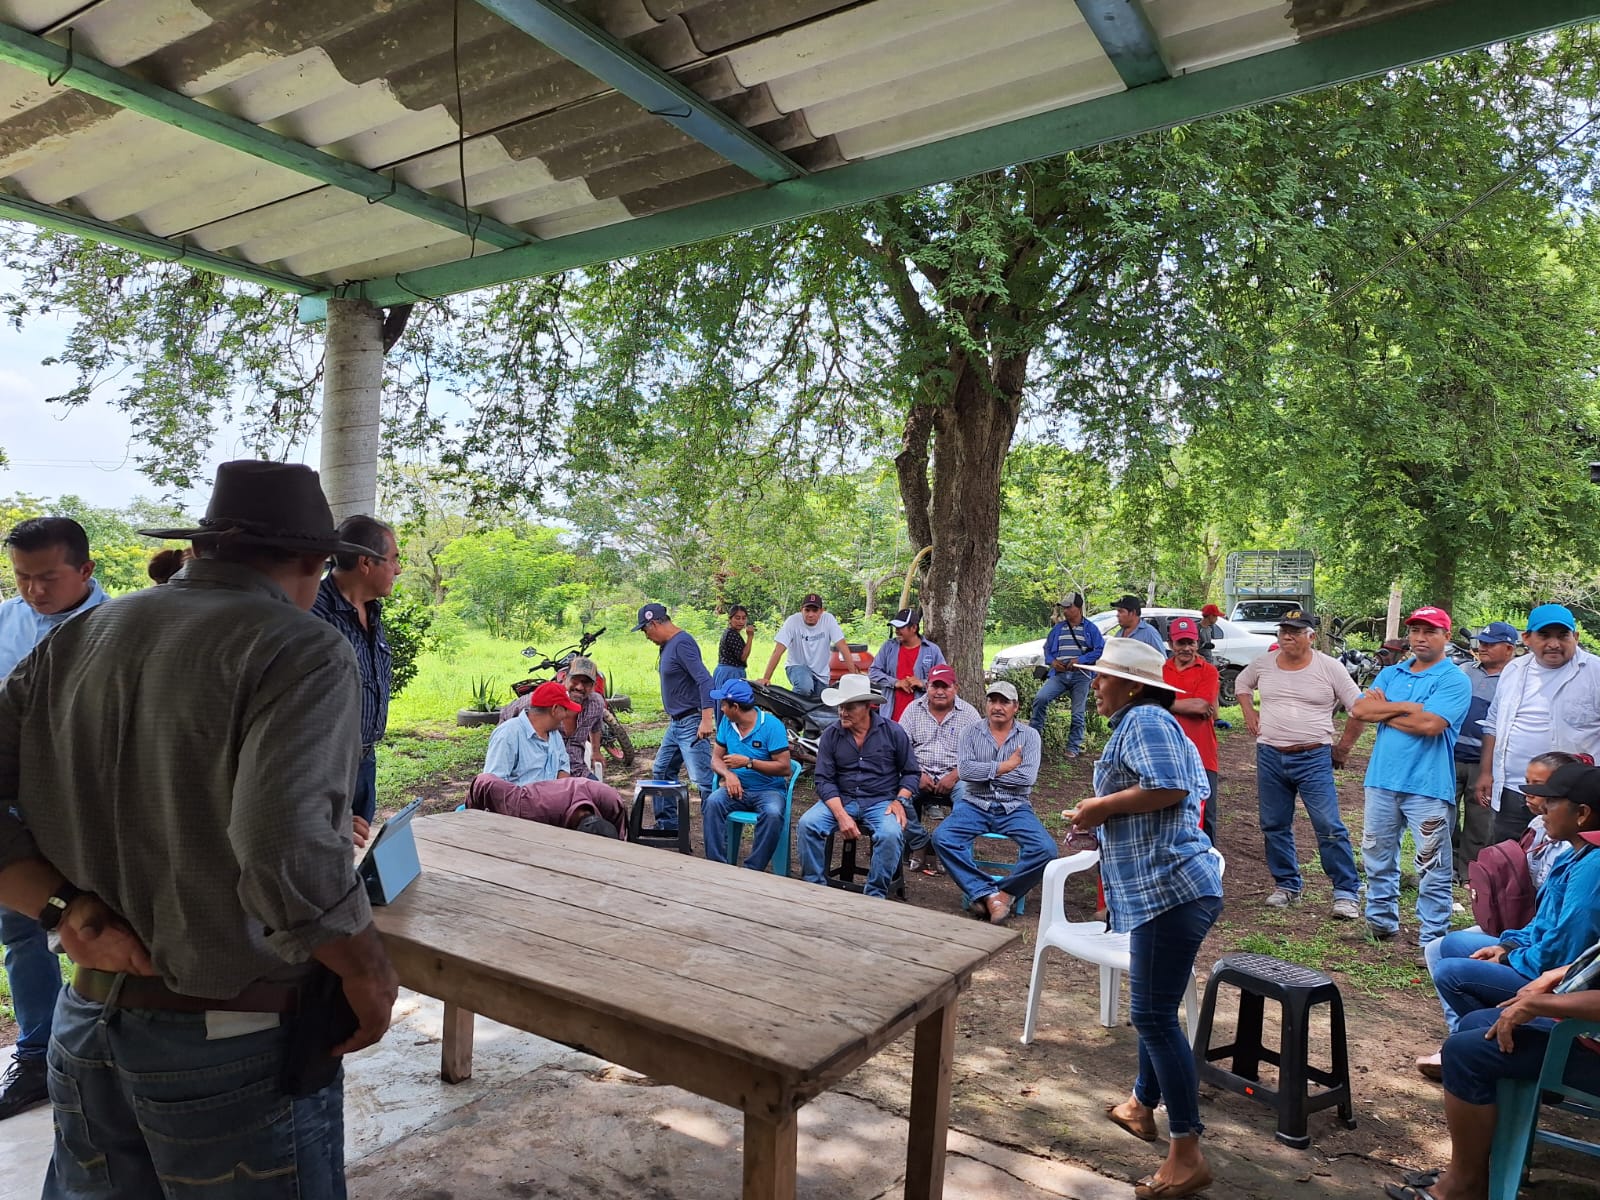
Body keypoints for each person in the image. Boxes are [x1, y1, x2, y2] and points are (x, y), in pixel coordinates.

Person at [0, 460, 399, 1190]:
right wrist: (368, 972)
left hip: (86, 1020)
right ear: (315, 561)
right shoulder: (299, 646)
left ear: (202, 547)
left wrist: (59, 908)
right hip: (231, 1042)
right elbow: (285, 847)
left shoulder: (76, 638)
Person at [1062, 638, 1222, 1200]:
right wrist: (1096, 819)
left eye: (1102, 678)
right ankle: (1139, 1104)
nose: (1095, 686)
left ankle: (1187, 1154)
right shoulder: (1143, 721)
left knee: (1153, 1017)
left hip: (1172, 891)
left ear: (1130, 684)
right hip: (1166, 891)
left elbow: (1171, 788)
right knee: (1156, 1009)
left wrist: (1099, 807)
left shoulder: (1147, 719)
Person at [0, 517, 108, 1121]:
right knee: (21, 931)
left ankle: (98, 1045)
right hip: (12, 812)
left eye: (48, 577)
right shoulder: (5, 621)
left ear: (87, 571)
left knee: (94, 923)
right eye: (22, 577)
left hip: (85, 811)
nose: (34, 591)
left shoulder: (119, 630)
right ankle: (39, 1052)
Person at [1414, 759, 1600, 1079]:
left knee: (1452, 972)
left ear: (1582, 814)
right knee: (1453, 944)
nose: (1542, 809)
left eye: (1552, 803)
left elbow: (1564, 948)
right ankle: (1480, 1041)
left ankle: (1505, 1053)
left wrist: (1513, 957)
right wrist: (1509, 946)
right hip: (1543, 961)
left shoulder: (1592, 867)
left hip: (1558, 979)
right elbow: (1543, 922)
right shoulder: (1576, 850)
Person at [1406, 951, 1600, 1200]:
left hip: (1589, 1045)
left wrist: (1537, 1004)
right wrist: (1558, 973)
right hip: (1583, 1030)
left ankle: (1464, 1187)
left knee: (1464, 1053)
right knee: (1475, 1023)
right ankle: (1491, 1169)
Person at [1234, 608, 1366, 920]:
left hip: (1313, 756)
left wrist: (1343, 749)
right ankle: (1287, 884)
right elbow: (1241, 682)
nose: (1287, 636)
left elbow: (1359, 708)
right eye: (1283, 631)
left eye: (1294, 631)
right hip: (1270, 755)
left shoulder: (1329, 667)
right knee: (1274, 823)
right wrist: (1249, 713)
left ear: (1311, 636)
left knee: (1328, 825)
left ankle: (1346, 892)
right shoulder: (1265, 663)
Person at [1353, 606, 1472, 947]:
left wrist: (1386, 709)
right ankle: (1380, 923)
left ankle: (1432, 940)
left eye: (1430, 631)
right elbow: (1360, 710)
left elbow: (1431, 725)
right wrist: (1410, 707)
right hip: (1381, 780)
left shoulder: (1454, 680)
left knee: (1432, 865)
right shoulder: (1392, 673)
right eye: (1416, 631)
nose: (1420, 638)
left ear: (1446, 637)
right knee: (1376, 855)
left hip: (1428, 786)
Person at [931, 680, 1053, 924]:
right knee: (942, 838)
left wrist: (985, 773)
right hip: (975, 803)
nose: (997, 706)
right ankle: (984, 892)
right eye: (993, 700)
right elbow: (965, 771)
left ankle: (1004, 895)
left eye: (1004, 702)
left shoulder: (1029, 736)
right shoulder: (971, 732)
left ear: (1015, 707)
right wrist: (1005, 767)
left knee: (1046, 849)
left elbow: (1027, 777)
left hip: (1014, 806)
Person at [1477, 603, 1600, 844]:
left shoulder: (1595, 672)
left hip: (1571, 797)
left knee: (1564, 861)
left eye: (1562, 635)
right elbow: (1493, 724)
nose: (1554, 643)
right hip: (1514, 790)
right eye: (1544, 635)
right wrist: (1485, 773)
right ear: (1527, 638)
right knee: (1510, 861)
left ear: (1574, 637)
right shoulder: (1514, 670)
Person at [311, 514, 400, 825]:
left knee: (355, 853)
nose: (398, 570)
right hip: (323, 764)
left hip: (365, 760)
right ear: (366, 563)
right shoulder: (314, 616)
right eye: (393, 559)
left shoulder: (373, 612)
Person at [796, 674, 918, 899]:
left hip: (880, 800)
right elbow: (823, 780)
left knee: (890, 833)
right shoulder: (832, 734)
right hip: (841, 798)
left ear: (867, 707)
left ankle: (874, 895)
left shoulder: (892, 732)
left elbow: (911, 773)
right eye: (841, 706)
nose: (842, 712)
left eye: (849, 707)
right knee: (807, 824)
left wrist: (900, 800)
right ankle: (814, 888)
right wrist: (841, 815)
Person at [472, 681, 626, 835]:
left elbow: (563, 769)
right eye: (565, 709)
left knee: (599, 827)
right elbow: (494, 788)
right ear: (555, 709)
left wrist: (555, 800)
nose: (567, 715)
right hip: (518, 818)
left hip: (552, 814)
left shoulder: (554, 735)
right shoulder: (508, 734)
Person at [635, 602, 715, 834]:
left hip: (691, 721)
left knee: (703, 780)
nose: (645, 635)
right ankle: (667, 825)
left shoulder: (683, 643)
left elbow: (705, 680)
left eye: (645, 630)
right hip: (676, 723)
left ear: (655, 623)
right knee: (661, 770)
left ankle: (715, 832)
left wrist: (706, 718)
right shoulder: (667, 645)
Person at [701, 679, 794, 871]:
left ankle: (753, 869)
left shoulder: (771, 726)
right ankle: (717, 867)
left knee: (773, 814)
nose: (721, 709)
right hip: (736, 789)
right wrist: (728, 774)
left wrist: (749, 763)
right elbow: (715, 759)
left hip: (768, 790)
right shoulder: (727, 723)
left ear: (735, 707)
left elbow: (784, 768)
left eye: (723, 705)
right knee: (712, 803)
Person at [899, 665, 983, 873]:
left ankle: (947, 847)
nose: (939, 691)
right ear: (927, 687)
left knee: (967, 798)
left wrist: (955, 775)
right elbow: (899, 749)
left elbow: (980, 755)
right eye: (935, 686)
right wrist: (916, 773)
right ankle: (919, 842)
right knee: (897, 796)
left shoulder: (970, 714)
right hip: (917, 771)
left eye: (945, 686)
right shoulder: (912, 710)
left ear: (956, 688)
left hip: (956, 776)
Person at [1454, 622, 1518, 878]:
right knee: (1442, 814)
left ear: (1509, 648)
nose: (1483, 648)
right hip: (1452, 754)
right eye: (1482, 643)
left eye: (1491, 644)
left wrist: (1490, 769)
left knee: (1480, 820)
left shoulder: (1515, 679)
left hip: (1486, 761)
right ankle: (1448, 867)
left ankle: (1470, 873)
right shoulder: (1464, 670)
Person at [1163, 617, 1221, 843]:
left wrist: (1163, 702)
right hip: (1167, 752)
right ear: (1171, 644)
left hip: (1202, 752)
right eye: (1181, 643)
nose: (1186, 648)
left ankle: (1209, 867)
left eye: (1191, 643)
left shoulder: (1208, 671)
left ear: (1198, 643)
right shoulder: (1160, 670)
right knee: (1168, 811)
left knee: (1206, 815)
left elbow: (1203, 706)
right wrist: (1188, 703)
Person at [1029, 592, 1104, 759]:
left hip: (1081, 675)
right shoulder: (1058, 628)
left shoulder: (1090, 628)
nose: (1065, 611)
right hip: (1059, 675)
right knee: (1041, 699)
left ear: (1078, 608)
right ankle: (1034, 742)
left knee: (1077, 714)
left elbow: (1099, 649)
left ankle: (1073, 747)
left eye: (1069, 607)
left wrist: (1080, 660)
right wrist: (1052, 661)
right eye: (1064, 607)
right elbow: (1047, 649)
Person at [759, 593, 858, 699]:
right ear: (801, 609)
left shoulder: (828, 620)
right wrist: (766, 678)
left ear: (821, 611)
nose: (810, 614)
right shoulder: (792, 621)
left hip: (821, 674)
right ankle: (789, 708)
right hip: (796, 666)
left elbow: (842, 646)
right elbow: (778, 651)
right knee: (804, 687)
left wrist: (854, 676)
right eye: (807, 610)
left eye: (815, 611)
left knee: (820, 703)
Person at [868, 607, 945, 721]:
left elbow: (943, 680)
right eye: (896, 627)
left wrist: (922, 683)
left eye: (901, 627)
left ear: (914, 627)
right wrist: (895, 682)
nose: (897, 631)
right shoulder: (888, 647)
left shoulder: (932, 650)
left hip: (921, 718)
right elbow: (873, 672)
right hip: (890, 715)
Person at [562, 656, 608, 780]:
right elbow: (508, 713)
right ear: (565, 678)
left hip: (577, 769)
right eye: (575, 680)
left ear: (593, 685)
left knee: (603, 795)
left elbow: (596, 726)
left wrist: (596, 751)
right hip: (546, 772)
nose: (579, 687)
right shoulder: (549, 699)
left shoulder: (595, 703)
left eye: (586, 683)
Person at [712, 605, 755, 690]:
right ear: (730, 619)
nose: (741, 621)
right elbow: (743, 657)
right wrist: (750, 637)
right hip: (730, 674)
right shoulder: (731, 634)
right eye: (737, 618)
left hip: (725, 672)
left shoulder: (730, 632)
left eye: (744, 618)